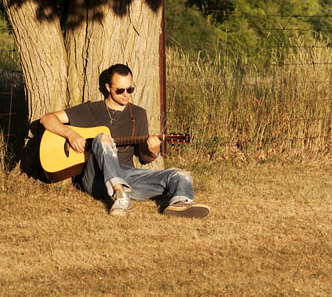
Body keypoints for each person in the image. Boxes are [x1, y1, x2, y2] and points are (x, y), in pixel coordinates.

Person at [39, 63, 210, 218]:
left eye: (130, 89)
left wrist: (154, 151)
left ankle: (181, 205)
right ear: (108, 87)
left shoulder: (138, 114)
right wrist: (70, 134)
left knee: (179, 174)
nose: (126, 95)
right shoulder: (91, 109)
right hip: (96, 179)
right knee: (103, 137)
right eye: (120, 90)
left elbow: (144, 159)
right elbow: (46, 119)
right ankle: (119, 195)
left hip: (128, 176)